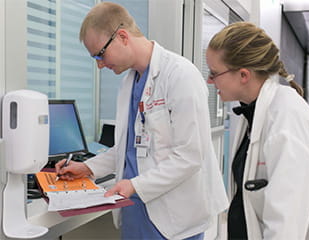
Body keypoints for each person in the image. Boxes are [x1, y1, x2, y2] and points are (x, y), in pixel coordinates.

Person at [55, 2, 229, 240]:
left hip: (174, 217)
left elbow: (190, 155)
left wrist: (135, 186)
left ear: (123, 36)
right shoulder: (130, 82)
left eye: (100, 54)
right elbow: (128, 147)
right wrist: (88, 167)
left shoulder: (180, 75)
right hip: (136, 209)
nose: (99, 64)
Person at [206, 22, 309, 240]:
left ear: (244, 75)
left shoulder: (286, 116)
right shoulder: (253, 113)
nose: (209, 80)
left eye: (214, 73)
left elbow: (288, 221)